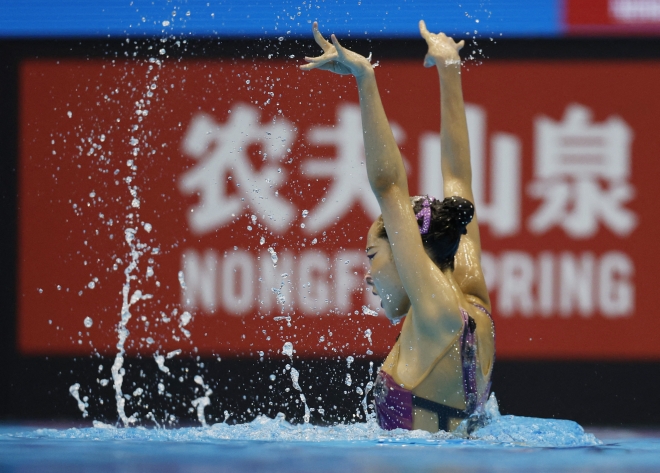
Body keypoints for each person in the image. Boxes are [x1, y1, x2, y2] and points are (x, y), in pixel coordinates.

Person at [301, 20, 495, 434]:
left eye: (373, 256)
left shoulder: (436, 311)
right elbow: (458, 177)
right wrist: (449, 69)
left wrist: (364, 79)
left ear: (410, 253)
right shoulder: (471, 294)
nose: (368, 276)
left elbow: (389, 186)